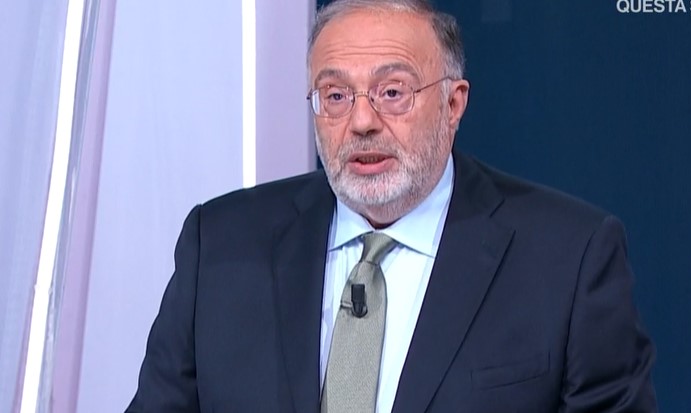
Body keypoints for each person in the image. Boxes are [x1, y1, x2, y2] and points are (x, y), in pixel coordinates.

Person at [127, 0, 657, 412]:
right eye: (336, 96)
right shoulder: (219, 243)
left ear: (453, 104)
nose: (362, 122)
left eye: (392, 92)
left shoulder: (568, 259)